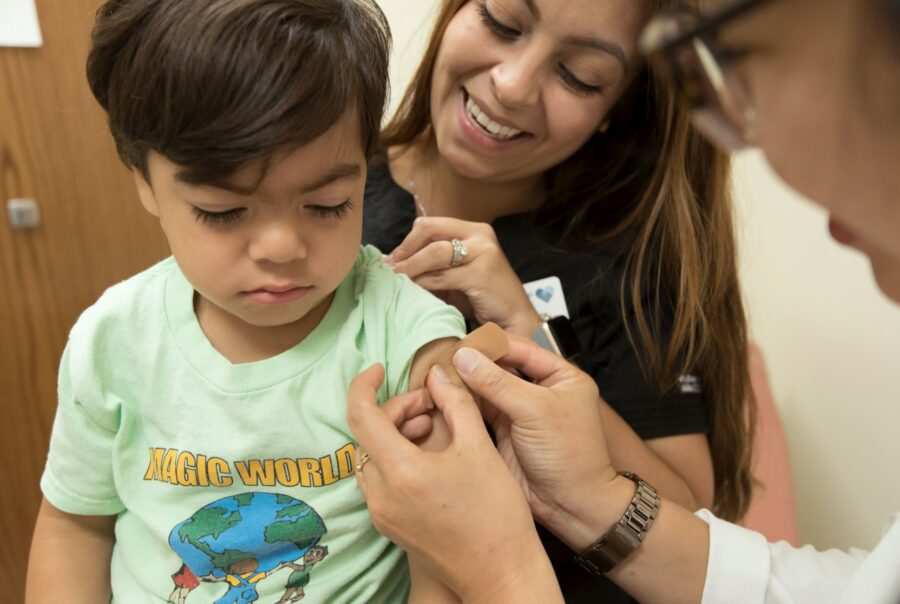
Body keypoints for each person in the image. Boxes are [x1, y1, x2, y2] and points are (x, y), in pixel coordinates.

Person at [348, 0, 900, 601]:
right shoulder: (325, 191)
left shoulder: (626, 264)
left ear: (618, 106)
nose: (510, 85)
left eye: (579, 76)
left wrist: (533, 334)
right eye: (502, 21)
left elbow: (691, 517)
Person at [24, 1, 468, 602]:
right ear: (143, 182)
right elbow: (75, 525)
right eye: (223, 211)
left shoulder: (404, 332)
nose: (282, 247)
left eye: (328, 203)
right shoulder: (113, 339)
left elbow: (451, 548)